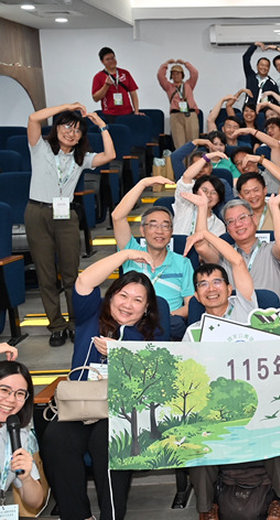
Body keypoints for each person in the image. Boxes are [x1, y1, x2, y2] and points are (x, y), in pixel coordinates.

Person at [42, 249, 166, 520]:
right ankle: (77, 515)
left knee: (108, 442)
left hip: (121, 411)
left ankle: (111, 516)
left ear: (146, 309)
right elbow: (84, 282)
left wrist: (121, 354)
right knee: (56, 438)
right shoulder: (91, 315)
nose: (127, 304)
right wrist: (126, 254)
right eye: (122, 295)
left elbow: (151, 386)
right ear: (111, 297)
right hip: (79, 404)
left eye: (137, 300)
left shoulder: (149, 337)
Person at [183, 232, 280, 520]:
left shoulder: (247, 309)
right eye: (202, 285)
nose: (210, 289)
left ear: (230, 288)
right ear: (196, 295)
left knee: (275, 417)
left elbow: (236, 261)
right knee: (194, 431)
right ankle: (206, 509)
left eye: (217, 281)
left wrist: (205, 233)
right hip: (216, 407)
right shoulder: (192, 333)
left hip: (257, 398)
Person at [26, 103, 116, 346]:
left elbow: (110, 156)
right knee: (45, 274)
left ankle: (76, 322)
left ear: (81, 138)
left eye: (77, 130)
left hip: (65, 215)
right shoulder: (40, 148)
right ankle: (56, 325)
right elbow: (34, 118)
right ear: (56, 128)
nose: (71, 133)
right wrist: (66, 107)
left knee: (70, 273)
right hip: (37, 213)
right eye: (67, 126)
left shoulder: (81, 158)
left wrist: (102, 126)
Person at [112, 177, 195, 340]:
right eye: (153, 225)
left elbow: (190, 305)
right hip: (132, 321)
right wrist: (143, 183)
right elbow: (117, 217)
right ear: (142, 230)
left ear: (171, 231)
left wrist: (162, 314)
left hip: (168, 325)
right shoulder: (131, 252)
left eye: (165, 226)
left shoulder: (182, 262)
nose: (159, 231)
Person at [195, 196, 280, 308]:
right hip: (234, 319)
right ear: (227, 228)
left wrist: (274, 208)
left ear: (254, 219)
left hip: (267, 319)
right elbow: (201, 246)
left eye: (242, 218)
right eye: (231, 221)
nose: (238, 224)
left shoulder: (270, 250)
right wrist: (202, 208)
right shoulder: (223, 255)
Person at [0, 360, 45, 512]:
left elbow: (36, 501)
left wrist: (26, 479)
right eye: (4, 390)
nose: (11, 399)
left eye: (20, 393)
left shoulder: (17, 432)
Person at [172, 151, 226, 236]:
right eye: (204, 190)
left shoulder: (219, 225)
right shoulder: (185, 205)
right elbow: (187, 177)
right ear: (195, 192)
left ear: (219, 198)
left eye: (214, 192)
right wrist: (207, 157)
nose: (208, 195)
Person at [235, 159, 280, 231]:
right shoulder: (237, 215)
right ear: (241, 197)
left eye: (256, 190)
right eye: (247, 192)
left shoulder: (276, 206)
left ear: (265, 190)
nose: (253, 195)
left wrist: (260, 159)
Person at [157, 58, 199, 148]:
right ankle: (181, 162)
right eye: (173, 73)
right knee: (179, 145)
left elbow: (194, 73)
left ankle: (193, 162)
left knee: (193, 143)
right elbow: (160, 76)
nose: (176, 76)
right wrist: (166, 64)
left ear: (182, 75)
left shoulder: (189, 84)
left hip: (190, 114)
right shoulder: (169, 87)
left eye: (178, 73)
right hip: (176, 116)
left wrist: (185, 63)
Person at [91, 47, 140, 119]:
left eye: (113, 58)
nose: (111, 61)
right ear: (102, 61)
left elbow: (133, 93)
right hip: (109, 114)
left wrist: (136, 111)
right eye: (108, 59)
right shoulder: (98, 77)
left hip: (127, 113)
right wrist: (106, 85)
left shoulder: (125, 73)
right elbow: (95, 98)